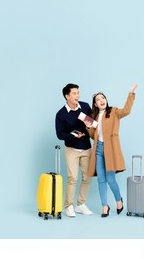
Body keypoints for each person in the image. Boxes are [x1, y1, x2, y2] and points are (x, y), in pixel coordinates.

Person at [86, 83, 138, 217]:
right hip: (98, 149)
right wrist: (88, 127)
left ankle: (118, 199)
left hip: (110, 150)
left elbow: (126, 111)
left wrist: (130, 94)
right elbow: (93, 136)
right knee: (101, 180)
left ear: (106, 100)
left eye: (103, 98)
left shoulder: (114, 111)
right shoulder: (95, 117)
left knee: (110, 179)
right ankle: (105, 206)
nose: (101, 100)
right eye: (98, 99)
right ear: (95, 104)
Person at [55, 83, 94, 217]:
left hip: (86, 147)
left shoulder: (85, 106)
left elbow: (93, 124)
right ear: (67, 96)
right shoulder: (61, 114)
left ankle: (81, 204)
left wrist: (89, 125)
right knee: (72, 178)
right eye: (74, 93)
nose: (77, 95)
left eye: (78, 93)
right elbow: (60, 134)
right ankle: (69, 206)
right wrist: (73, 135)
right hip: (71, 148)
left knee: (87, 177)